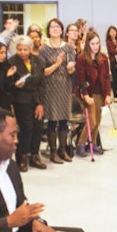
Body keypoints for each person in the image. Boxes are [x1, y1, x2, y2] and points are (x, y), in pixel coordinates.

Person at [7, 35, 46, 171]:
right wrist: (16, 85)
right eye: (19, 49)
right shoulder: (11, 62)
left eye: (25, 49)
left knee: (38, 127)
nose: (22, 52)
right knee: (26, 128)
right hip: (20, 99)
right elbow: (7, 83)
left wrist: (40, 103)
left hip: (37, 99)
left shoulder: (38, 61)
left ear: (30, 49)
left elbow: (42, 83)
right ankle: (21, 157)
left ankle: (34, 156)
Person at [40, 18, 76, 164]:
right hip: (50, 88)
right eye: (52, 27)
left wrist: (70, 68)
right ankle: (53, 152)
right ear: (48, 30)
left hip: (64, 87)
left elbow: (71, 69)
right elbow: (43, 72)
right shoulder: (43, 49)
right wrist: (56, 64)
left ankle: (63, 150)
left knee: (63, 120)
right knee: (52, 121)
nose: (55, 29)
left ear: (62, 31)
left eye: (58, 27)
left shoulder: (68, 47)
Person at [74, 30, 112, 156]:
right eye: (92, 44)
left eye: (97, 43)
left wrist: (107, 94)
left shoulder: (103, 58)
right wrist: (85, 96)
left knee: (98, 120)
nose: (96, 46)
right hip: (87, 93)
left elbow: (106, 77)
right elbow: (81, 80)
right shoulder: (81, 59)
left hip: (99, 93)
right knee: (92, 121)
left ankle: (94, 143)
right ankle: (81, 143)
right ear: (87, 45)